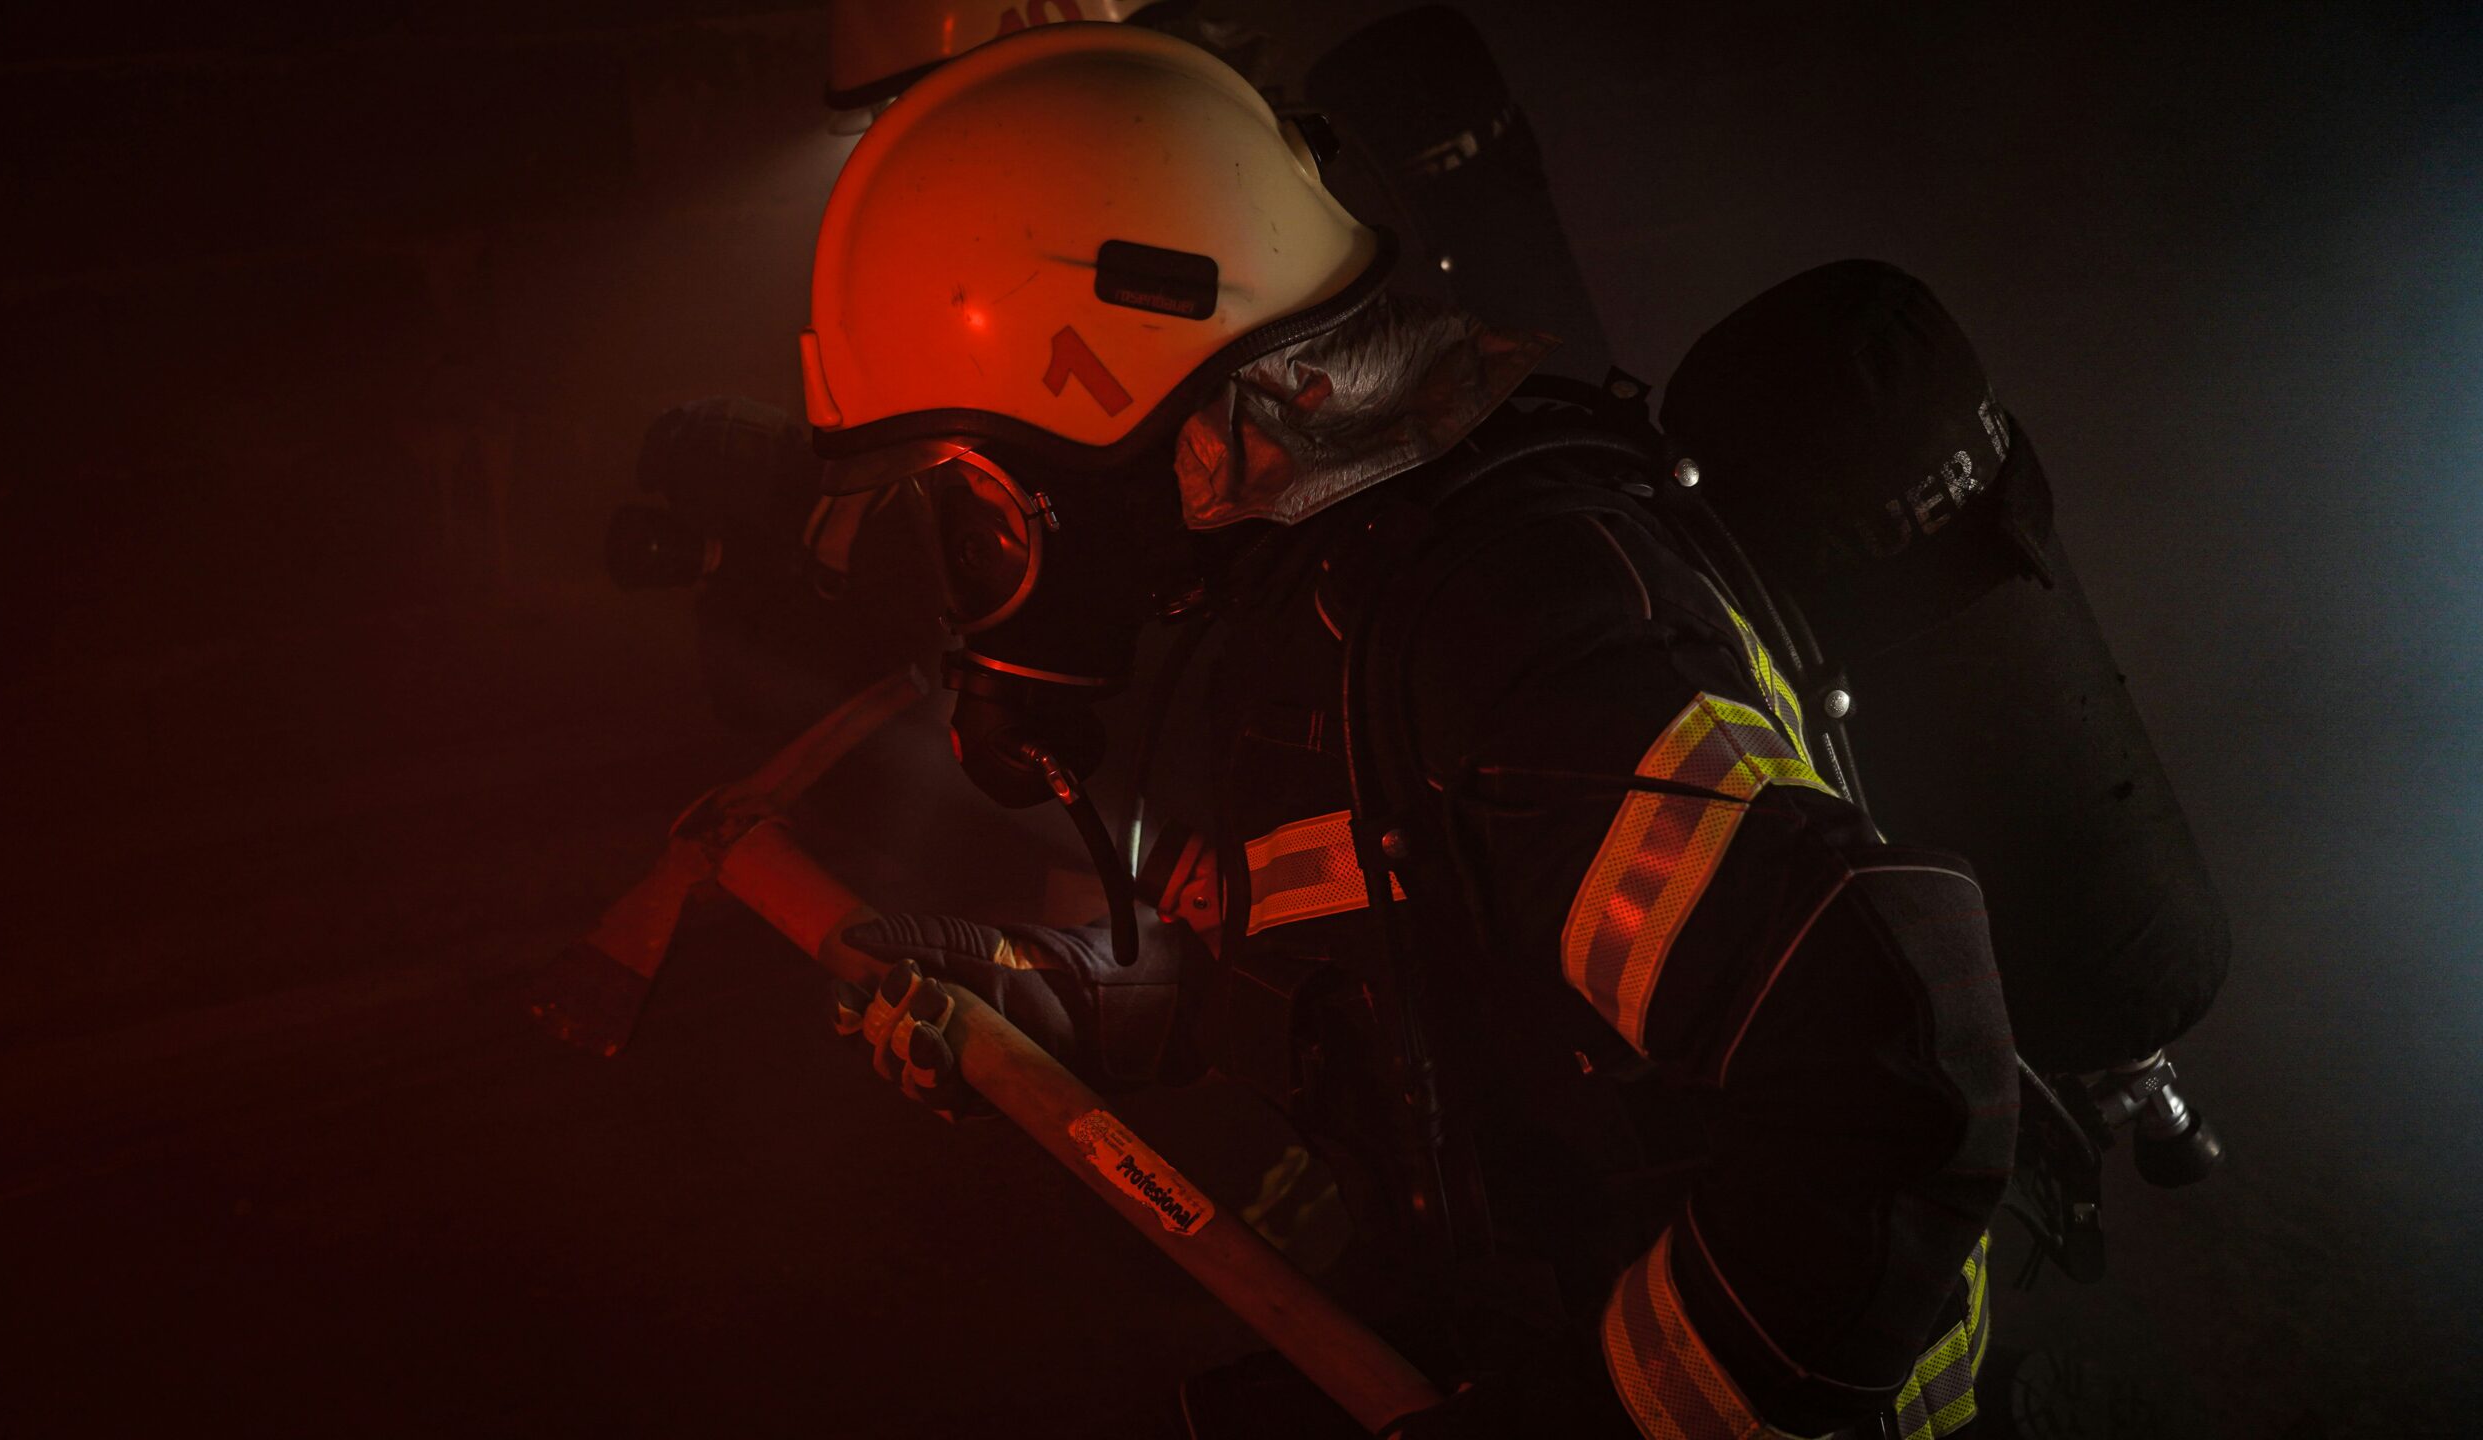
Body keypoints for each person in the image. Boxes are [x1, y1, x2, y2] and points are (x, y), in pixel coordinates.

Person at [805, 24, 2016, 1438]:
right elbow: (1384, 953)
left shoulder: (1506, 618)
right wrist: (1062, 992)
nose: (979, 596)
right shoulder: (1326, 600)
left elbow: (1887, 1037)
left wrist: (1607, 1415)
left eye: (977, 518)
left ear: (1114, 385)